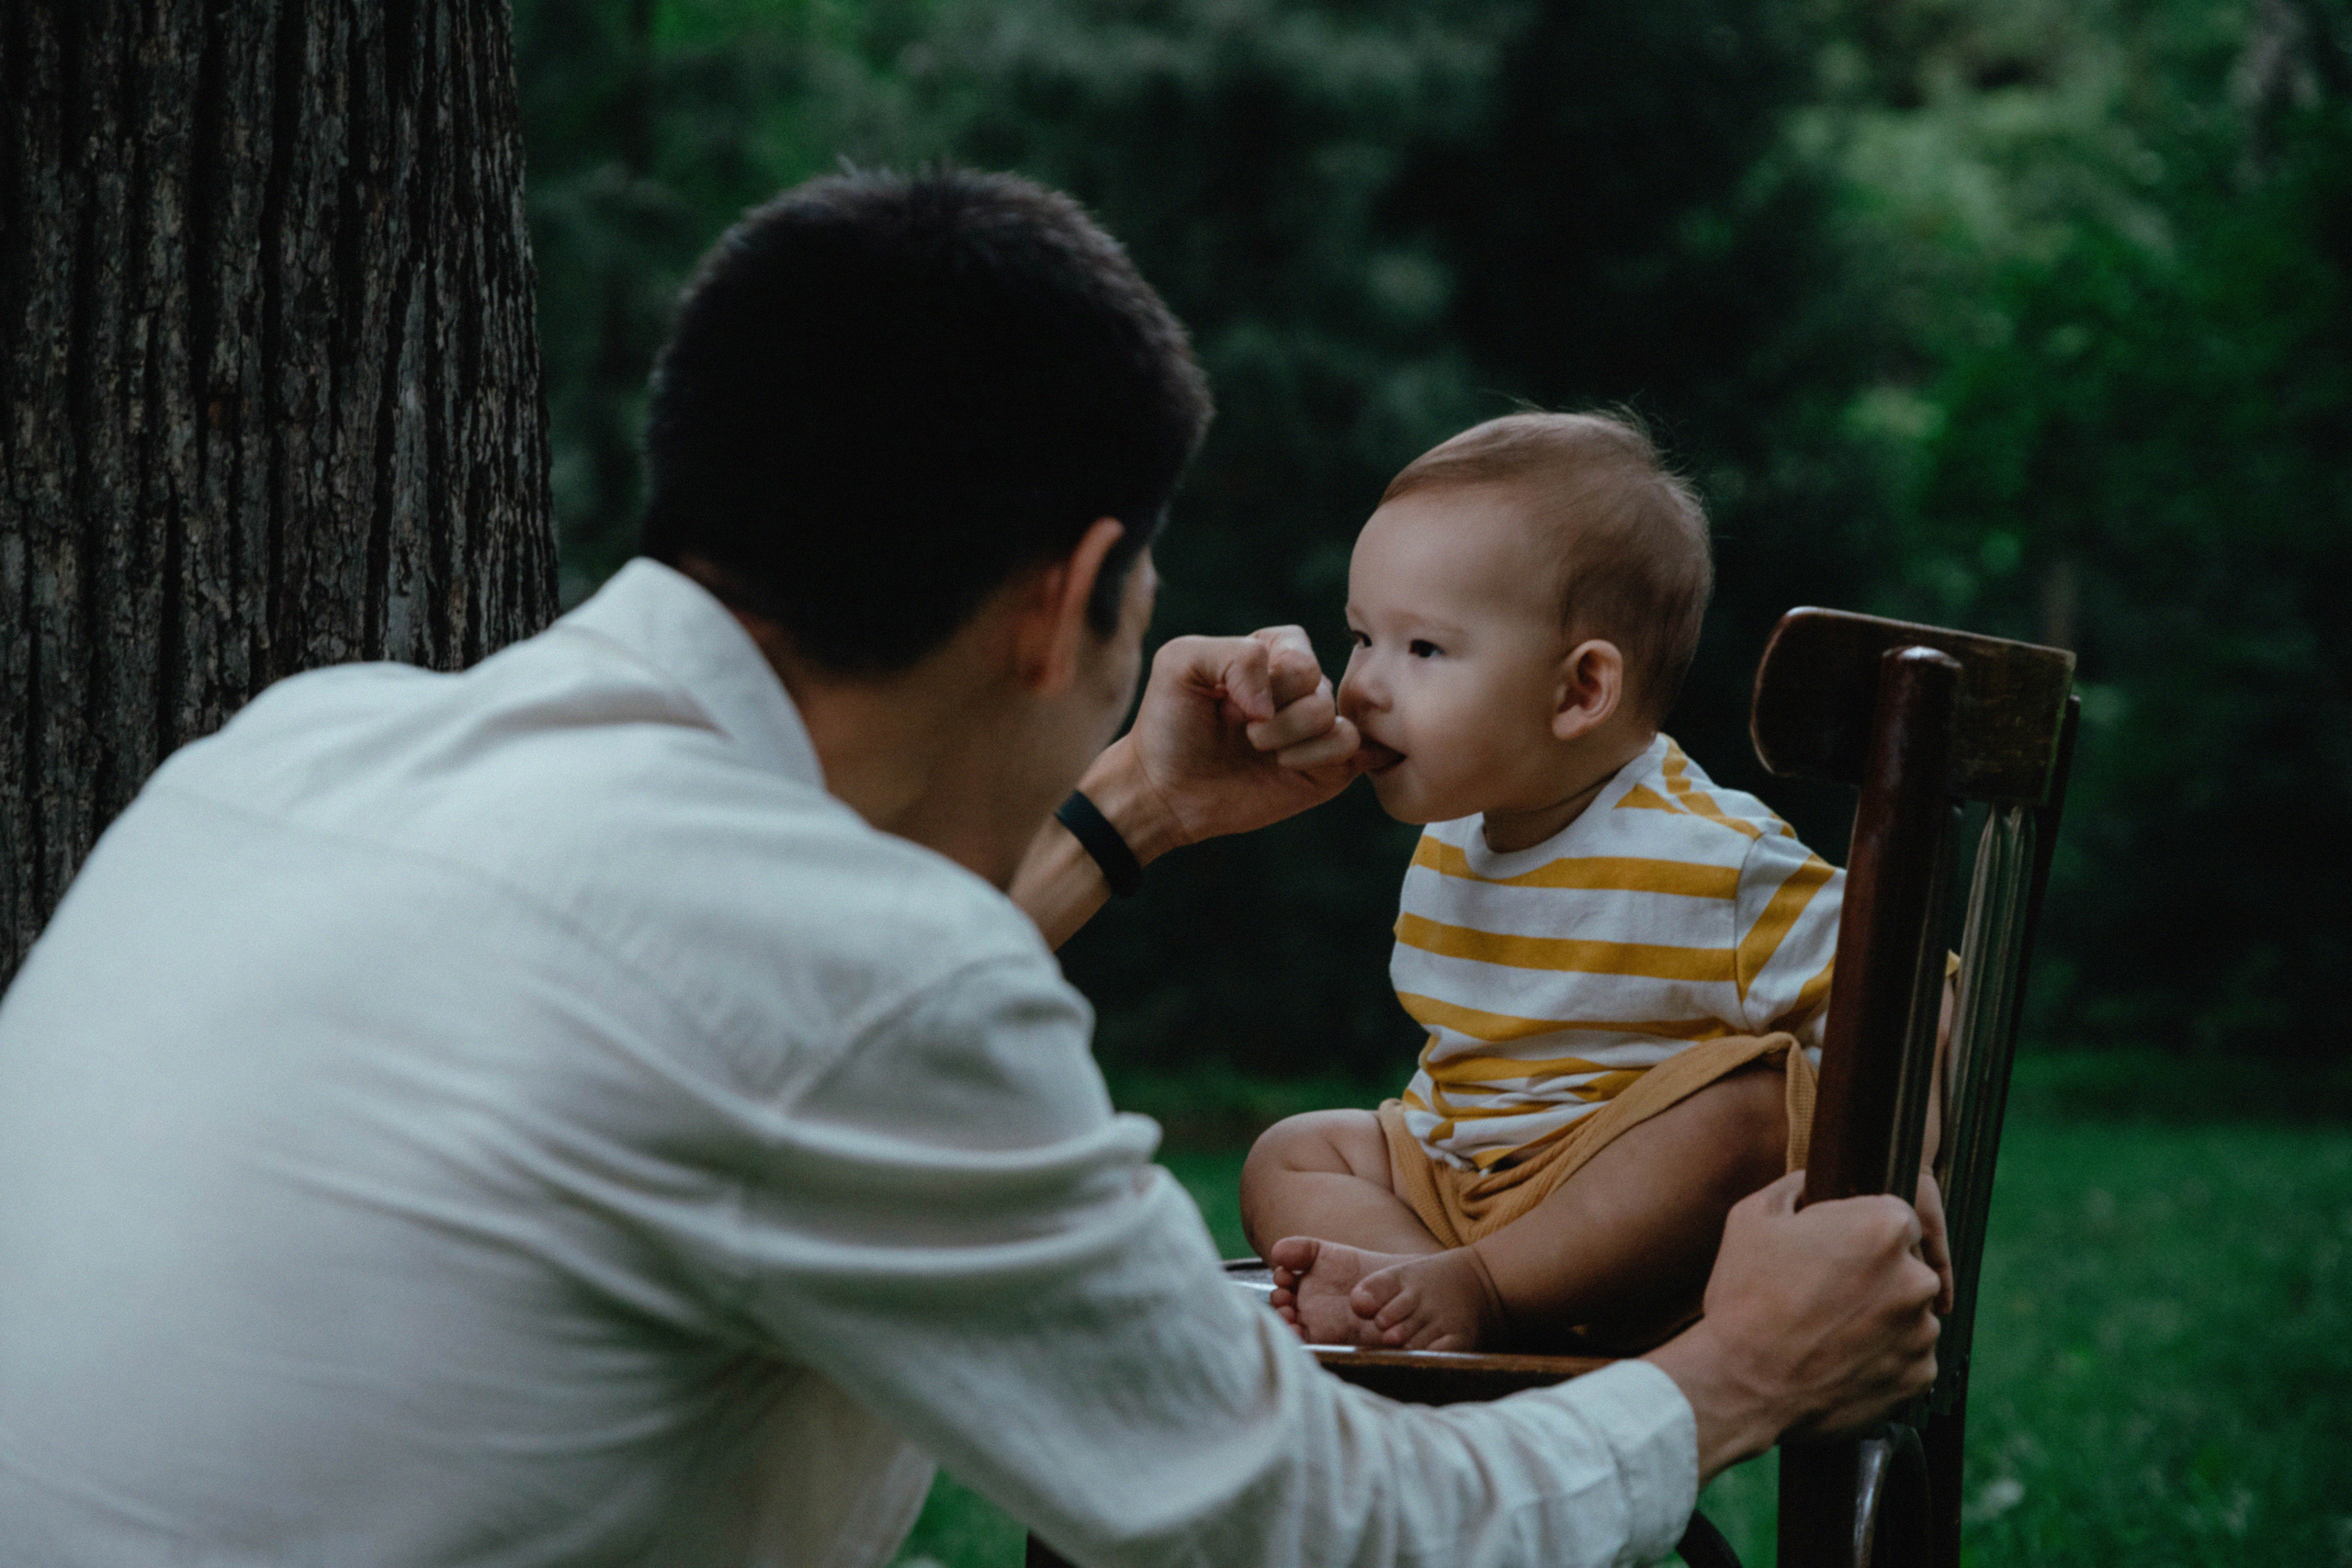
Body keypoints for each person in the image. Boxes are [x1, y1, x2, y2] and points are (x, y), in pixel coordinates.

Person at [0, 169, 1940, 1568]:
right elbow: (1312, 1529)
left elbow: (767, 1027)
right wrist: (1734, 1368)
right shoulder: (837, 982)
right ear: (1076, 599)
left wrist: (1137, 816)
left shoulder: (286, 751)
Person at [1243, 413, 1951, 1361]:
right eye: (1361, 638)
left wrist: (1901, 1171)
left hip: (1624, 1226)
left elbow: (1903, 993)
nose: (1362, 686)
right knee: (1292, 1152)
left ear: (1580, 691)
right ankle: (1421, 1302)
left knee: (1747, 1109)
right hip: (1460, 1178)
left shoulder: (1706, 855)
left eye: (1422, 651)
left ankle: (1482, 1295)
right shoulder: (1460, 827)